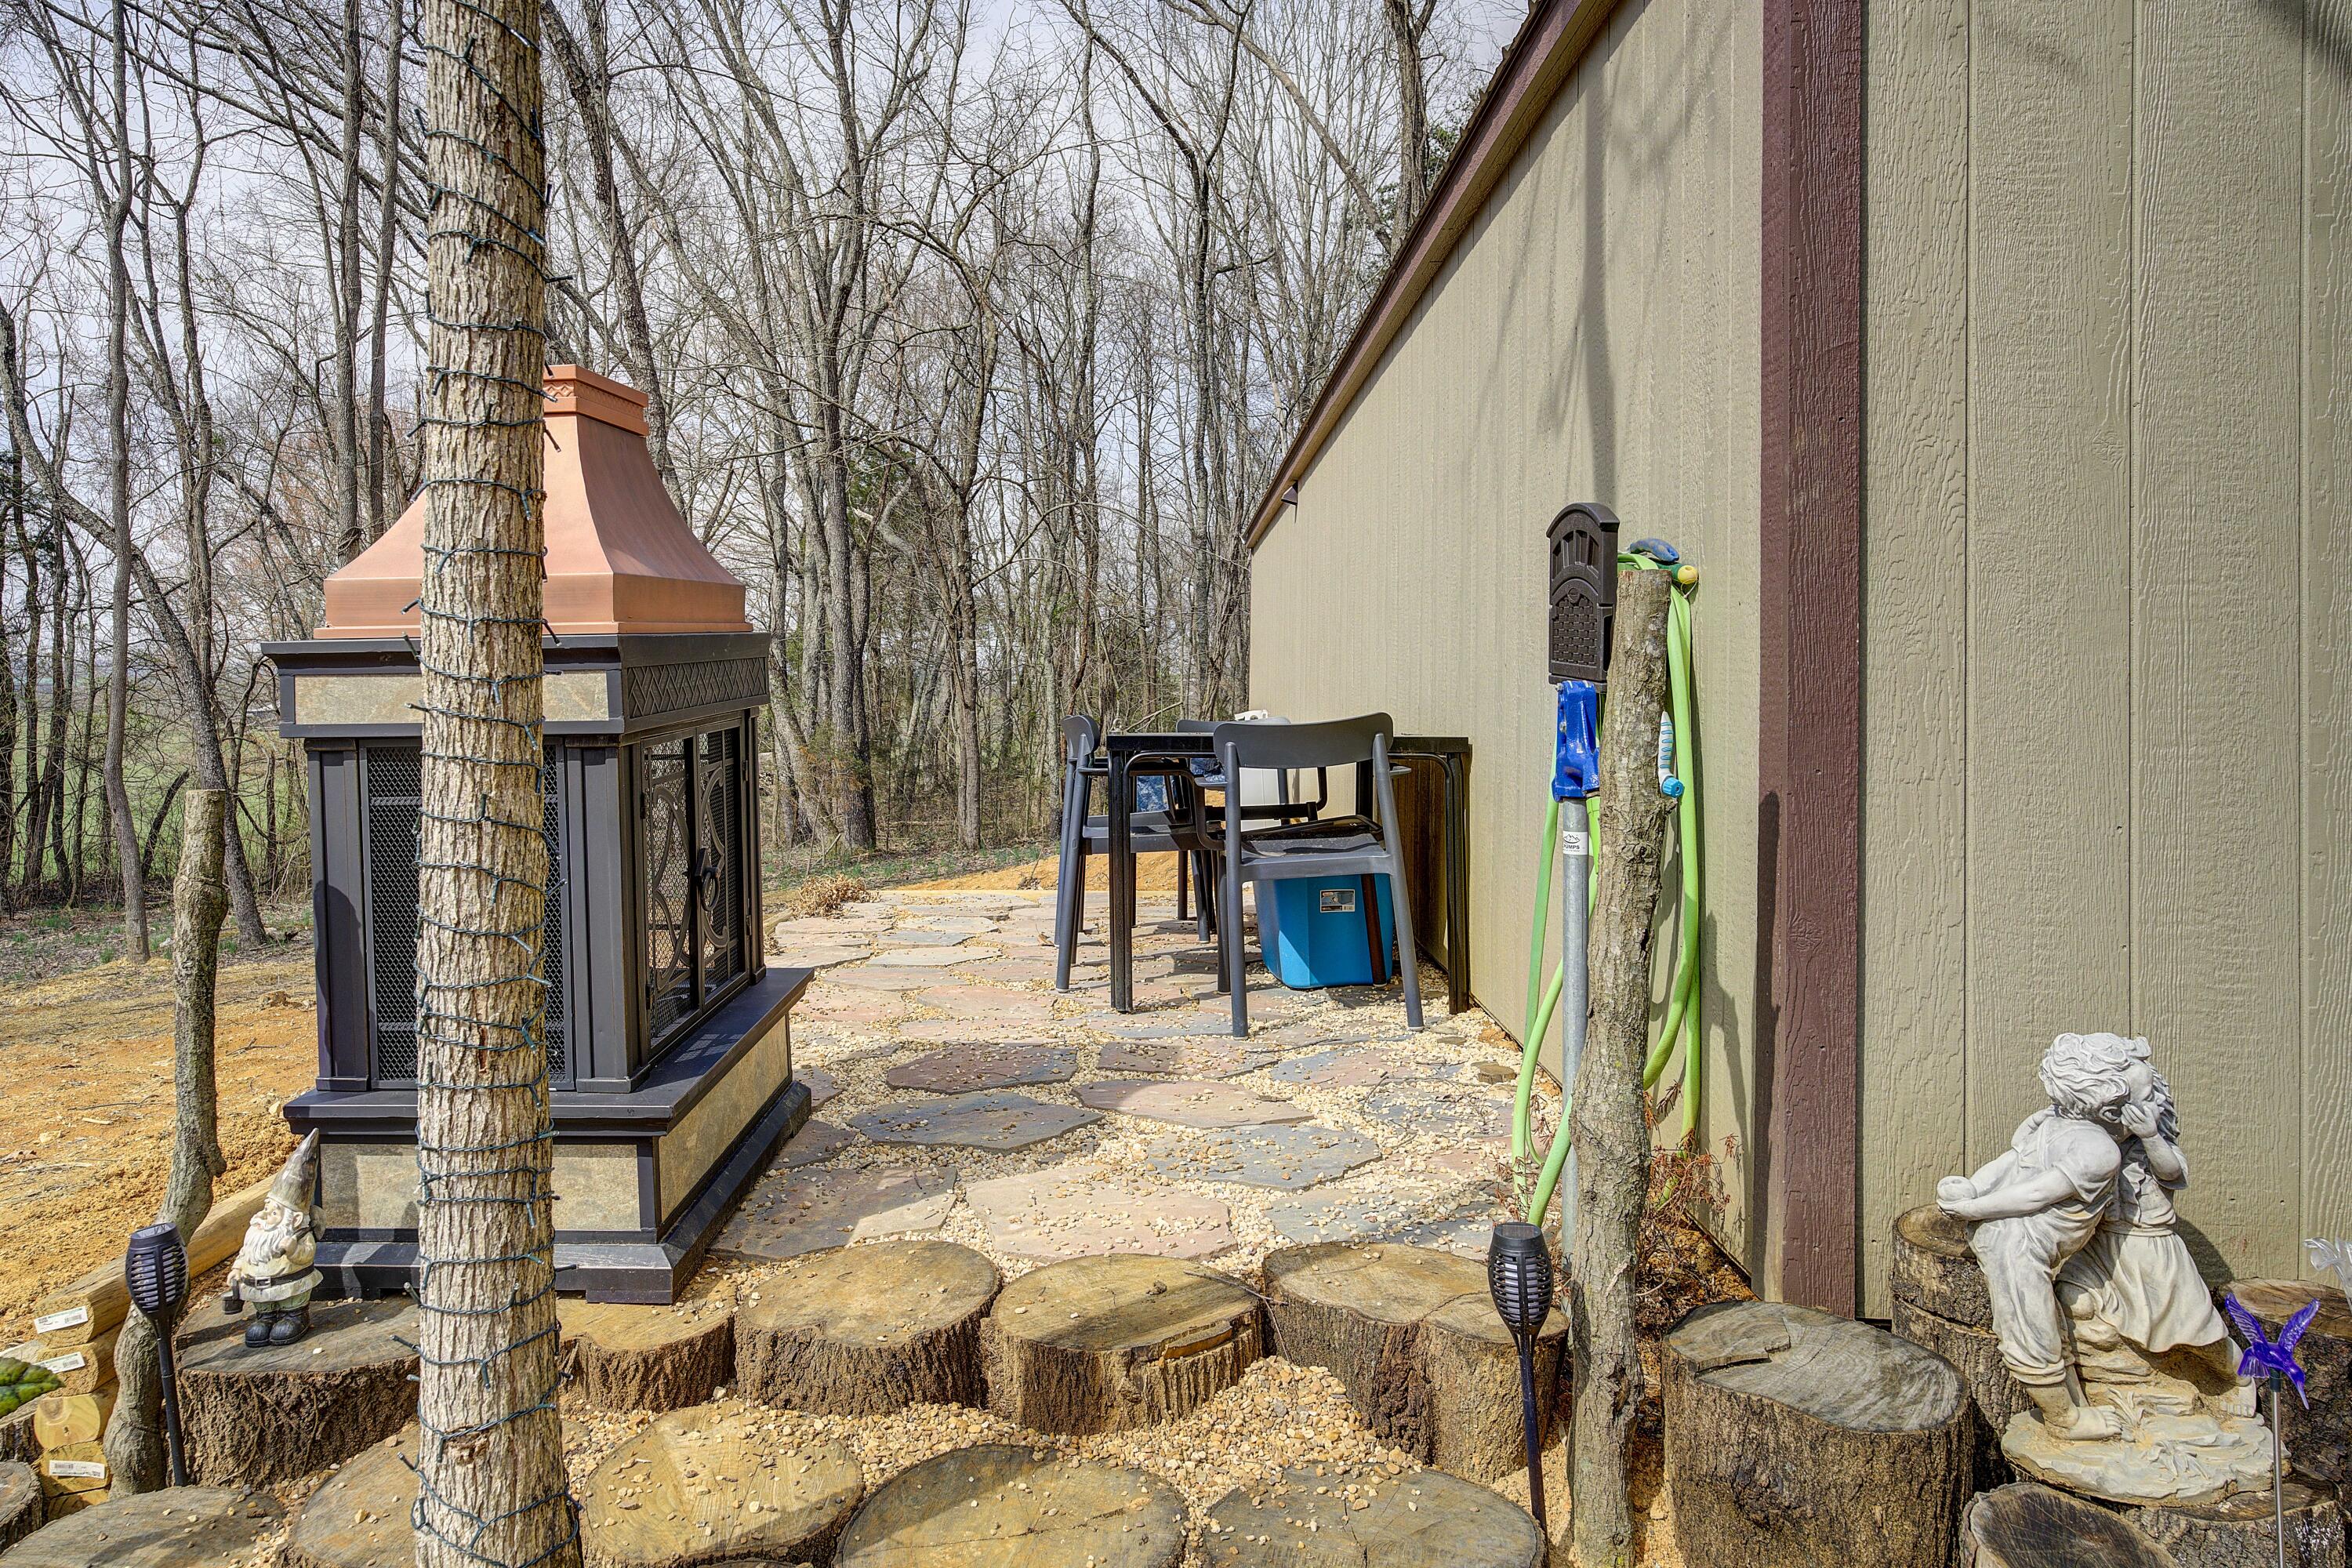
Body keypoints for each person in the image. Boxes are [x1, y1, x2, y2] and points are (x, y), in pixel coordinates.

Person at [1939, 1033, 2149, 1440]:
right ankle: (2064, 1419)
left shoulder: (2050, 1122)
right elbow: (2033, 1189)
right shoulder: (2100, 1152)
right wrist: (1970, 1197)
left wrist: (1974, 1196)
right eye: (2140, 1106)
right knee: (2031, 1331)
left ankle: (2075, 1402)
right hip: (2022, 1249)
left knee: (2047, 1324)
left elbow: (2011, 1163)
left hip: (2016, 1238)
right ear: (2109, 1110)